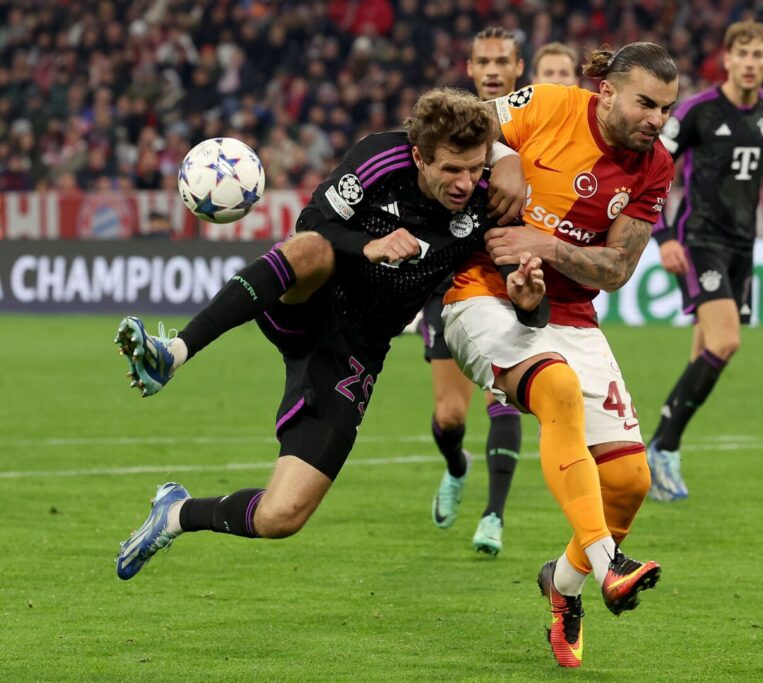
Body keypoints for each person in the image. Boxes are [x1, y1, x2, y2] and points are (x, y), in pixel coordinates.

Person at [113, 88, 542, 581]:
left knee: (282, 516)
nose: (465, 182)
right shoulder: (380, 158)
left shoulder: (492, 201)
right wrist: (369, 246)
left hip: (357, 350)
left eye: (474, 167)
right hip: (313, 300)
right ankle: (173, 352)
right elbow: (311, 223)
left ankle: (175, 513)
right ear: (420, 156)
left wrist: (530, 304)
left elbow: (530, 306)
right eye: (451, 169)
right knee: (311, 248)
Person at [442, 43, 679, 668]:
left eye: (666, 108)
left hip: (571, 313)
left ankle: (564, 583)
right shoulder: (547, 105)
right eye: (646, 104)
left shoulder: (655, 165)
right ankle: (610, 565)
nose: (657, 119)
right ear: (608, 92)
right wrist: (502, 157)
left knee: (629, 482)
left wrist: (545, 245)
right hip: (482, 292)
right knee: (557, 389)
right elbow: (459, 124)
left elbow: (617, 268)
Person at [646, 20, 763, 501]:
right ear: (728, 59)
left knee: (704, 354)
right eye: (743, 53)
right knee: (727, 341)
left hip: (743, 246)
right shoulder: (698, 111)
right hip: (700, 240)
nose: (751, 62)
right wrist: (663, 237)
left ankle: (663, 452)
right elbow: (653, 168)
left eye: (759, 54)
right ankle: (662, 447)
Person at [422, 27, 526, 557]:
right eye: (483, 61)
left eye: (501, 61)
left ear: (518, 68)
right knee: (450, 417)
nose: (492, 70)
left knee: (503, 395)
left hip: (502, 276)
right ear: (469, 68)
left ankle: (494, 515)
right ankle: (456, 465)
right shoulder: (451, 125)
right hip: (445, 278)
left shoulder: (531, 128)